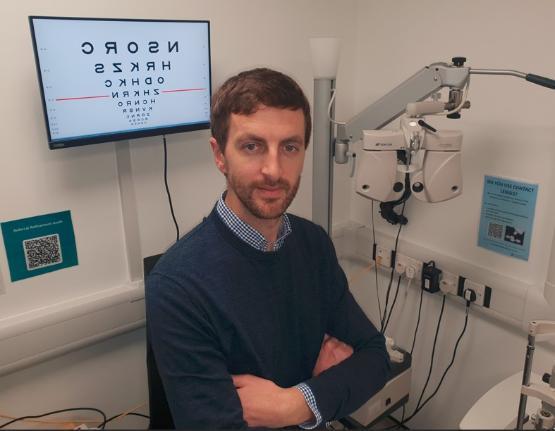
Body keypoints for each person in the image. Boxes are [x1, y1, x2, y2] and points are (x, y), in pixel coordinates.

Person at [146, 68, 390, 429]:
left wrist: (293, 404)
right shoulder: (177, 284)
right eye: (252, 146)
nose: (274, 170)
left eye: (290, 147)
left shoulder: (313, 243)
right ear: (219, 155)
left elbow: (375, 359)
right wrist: (327, 390)